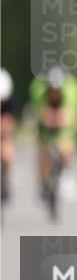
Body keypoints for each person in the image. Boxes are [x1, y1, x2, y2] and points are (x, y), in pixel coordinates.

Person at [29, 67, 77, 200]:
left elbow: (70, 117)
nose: (54, 92)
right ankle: (42, 182)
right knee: (43, 153)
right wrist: (48, 118)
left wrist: (56, 119)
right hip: (45, 127)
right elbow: (40, 114)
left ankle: (66, 172)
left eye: (57, 90)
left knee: (65, 147)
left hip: (64, 127)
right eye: (51, 89)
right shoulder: (38, 89)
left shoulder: (72, 90)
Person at [1, 68, 16, 205]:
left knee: (7, 153)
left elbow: (9, 123)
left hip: (2, 134)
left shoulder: (8, 103)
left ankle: (7, 180)